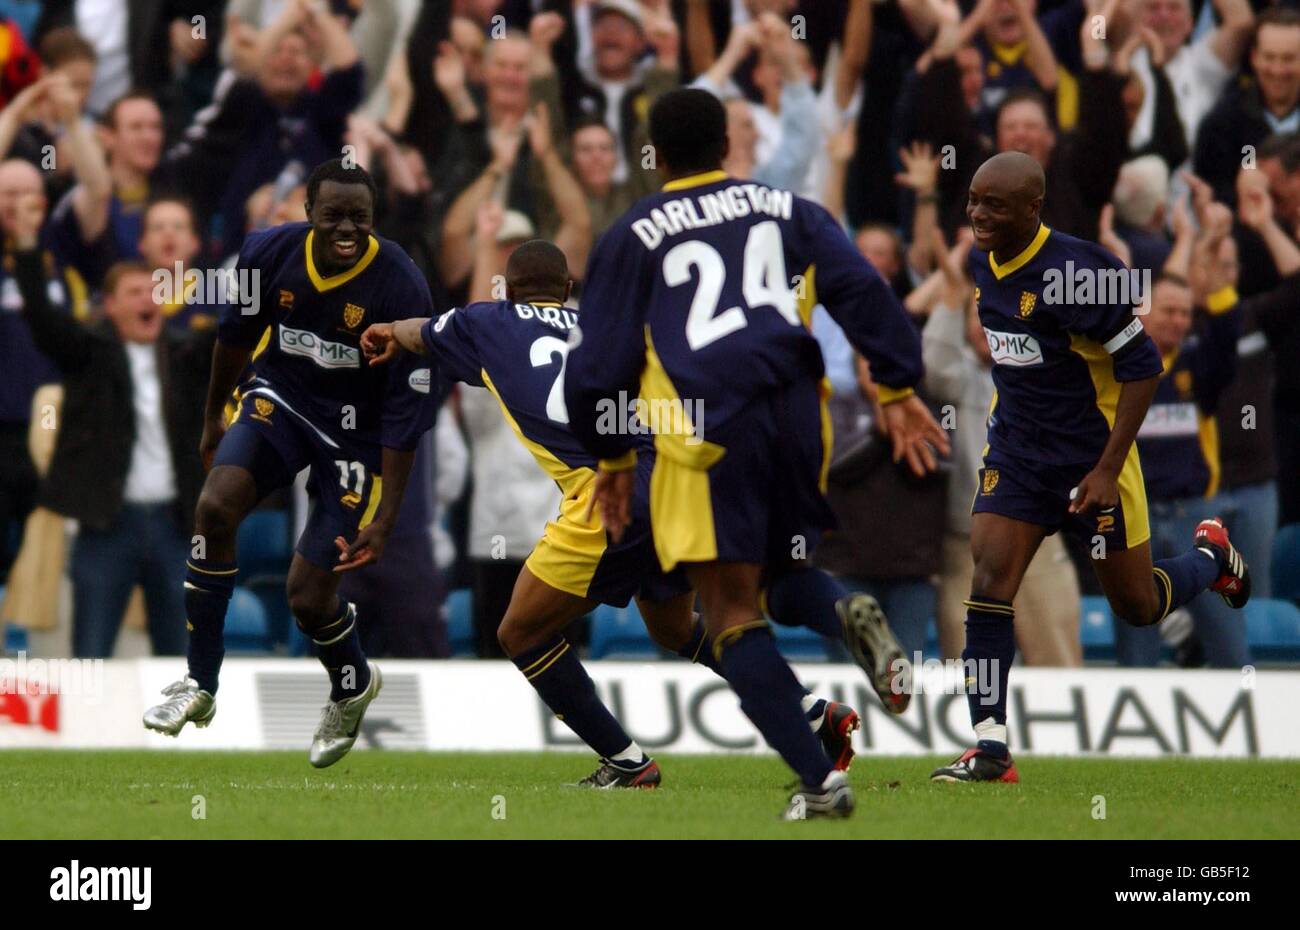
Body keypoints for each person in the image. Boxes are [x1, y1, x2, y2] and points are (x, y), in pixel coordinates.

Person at [563, 88, 947, 819]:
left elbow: (597, 366)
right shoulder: (788, 209)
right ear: (726, 148)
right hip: (802, 414)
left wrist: (611, 459)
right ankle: (844, 612)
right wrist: (896, 384)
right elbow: (863, 288)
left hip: (709, 423)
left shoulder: (634, 232)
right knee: (780, 570)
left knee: (730, 610)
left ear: (658, 156)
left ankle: (821, 784)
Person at [361, 239, 864, 787]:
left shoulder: (486, 321)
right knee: (674, 627)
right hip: (677, 478)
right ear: (569, 289)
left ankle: (626, 762)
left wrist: (389, 331)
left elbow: (418, 330)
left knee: (520, 632)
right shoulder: (603, 326)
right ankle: (813, 711)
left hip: (611, 492)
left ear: (504, 289)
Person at [932, 151, 1252, 783]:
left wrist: (1106, 469)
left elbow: (1143, 366)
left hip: (1092, 460)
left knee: (1137, 604)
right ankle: (990, 749)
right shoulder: (980, 257)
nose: (977, 215)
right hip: (1020, 455)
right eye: (972, 200)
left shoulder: (1080, 274)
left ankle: (1211, 559)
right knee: (990, 578)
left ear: (1033, 207)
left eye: (994, 205)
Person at [142, 160, 437, 769]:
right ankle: (199, 684)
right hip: (280, 400)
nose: (347, 228)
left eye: (360, 217)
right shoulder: (265, 253)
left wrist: (384, 518)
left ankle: (352, 681)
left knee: (307, 597)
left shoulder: (402, 283)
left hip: (357, 437)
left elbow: (409, 413)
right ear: (308, 214)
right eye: (334, 215)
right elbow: (231, 335)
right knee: (215, 507)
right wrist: (213, 419)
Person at [14, 190, 211, 658]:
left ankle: (181, 733)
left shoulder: (185, 353)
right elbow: (42, 319)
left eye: (153, 294)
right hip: (107, 524)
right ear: (113, 306)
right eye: (134, 294)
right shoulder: (87, 354)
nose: (147, 302)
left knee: (180, 660)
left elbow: (240, 331)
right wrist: (24, 245)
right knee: (91, 652)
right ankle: (86, 731)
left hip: (174, 525)